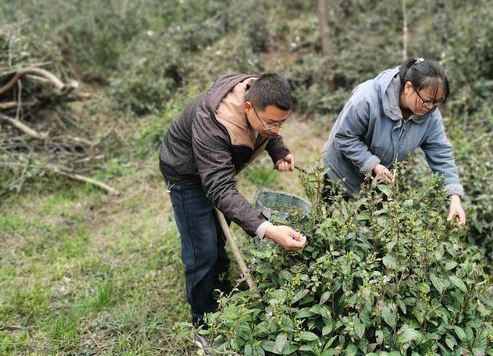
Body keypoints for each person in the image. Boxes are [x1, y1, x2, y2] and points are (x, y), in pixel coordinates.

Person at [159, 73, 307, 328]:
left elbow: (269, 129)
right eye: (272, 123)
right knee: (201, 247)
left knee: (218, 234)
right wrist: (268, 230)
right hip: (186, 173)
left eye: (281, 123)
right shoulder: (213, 123)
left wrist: (279, 150)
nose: (276, 130)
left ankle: (219, 283)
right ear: (247, 108)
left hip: (218, 169)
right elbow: (219, 188)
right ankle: (202, 320)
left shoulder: (259, 92)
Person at [323, 58, 466, 225]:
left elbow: (441, 154)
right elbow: (344, 136)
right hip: (340, 175)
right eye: (427, 101)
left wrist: (454, 198)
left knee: (371, 236)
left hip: (378, 183)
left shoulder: (431, 115)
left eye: (437, 102)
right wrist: (373, 165)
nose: (430, 107)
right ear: (408, 87)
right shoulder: (367, 98)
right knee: (330, 228)